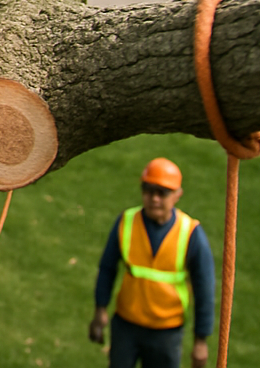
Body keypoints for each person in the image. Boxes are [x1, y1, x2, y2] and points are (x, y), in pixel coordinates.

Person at [88, 158, 215, 368]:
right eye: (148, 190)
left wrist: (201, 340)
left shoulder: (191, 233)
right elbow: (107, 268)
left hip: (166, 332)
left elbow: (205, 290)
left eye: (162, 192)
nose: (154, 198)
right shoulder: (126, 222)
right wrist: (100, 309)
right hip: (126, 327)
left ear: (177, 195)